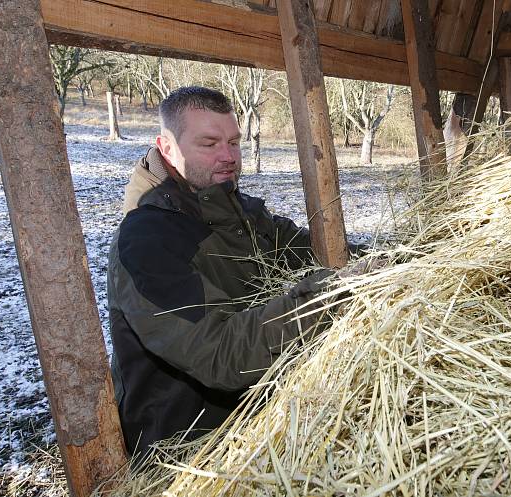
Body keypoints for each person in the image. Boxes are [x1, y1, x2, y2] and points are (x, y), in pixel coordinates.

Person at [107, 86, 342, 456]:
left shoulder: (239, 211)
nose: (228, 156)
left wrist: (396, 257)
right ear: (166, 147)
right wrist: (333, 294)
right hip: (190, 451)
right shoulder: (146, 241)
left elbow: (310, 250)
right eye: (209, 143)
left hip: (268, 425)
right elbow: (219, 354)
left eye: (233, 142)